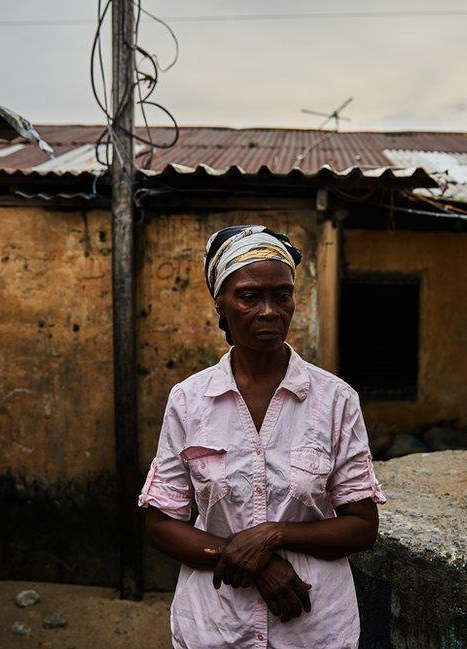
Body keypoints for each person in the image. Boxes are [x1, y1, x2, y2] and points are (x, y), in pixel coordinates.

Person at [139, 225, 386, 648]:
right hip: (217, 625)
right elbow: (161, 523)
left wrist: (274, 534)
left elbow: (362, 527)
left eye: (282, 295)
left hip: (312, 625)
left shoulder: (335, 400)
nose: (269, 311)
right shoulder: (189, 400)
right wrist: (257, 564)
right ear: (220, 302)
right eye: (250, 296)